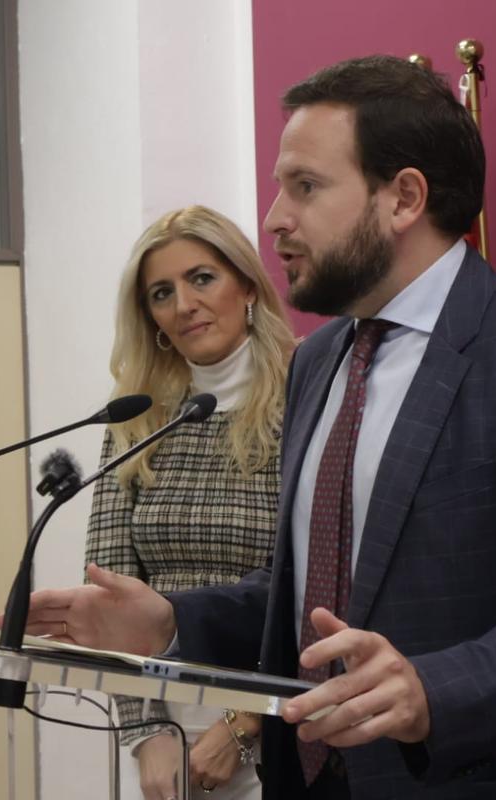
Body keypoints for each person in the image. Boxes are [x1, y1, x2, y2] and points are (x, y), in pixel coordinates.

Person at [10, 56, 496, 799]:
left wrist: (437, 689)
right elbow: (313, 596)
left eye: (305, 186)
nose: (274, 219)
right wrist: (172, 622)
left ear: (403, 198)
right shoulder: (320, 360)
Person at [87, 206, 295, 800]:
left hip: (283, 724)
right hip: (163, 734)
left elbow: (314, 586)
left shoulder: (308, 392)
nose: (184, 304)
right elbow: (110, 589)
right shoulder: (136, 415)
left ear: (248, 285)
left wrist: (246, 722)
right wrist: (147, 731)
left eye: (202, 278)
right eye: (162, 292)